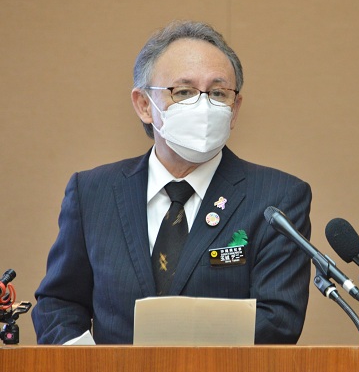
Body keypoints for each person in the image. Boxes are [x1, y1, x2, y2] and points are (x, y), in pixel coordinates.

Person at [32, 20, 312, 345]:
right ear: (144, 105)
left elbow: (278, 322)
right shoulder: (92, 192)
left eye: (218, 93)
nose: (203, 106)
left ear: (235, 110)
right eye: (183, 92)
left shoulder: (276, 198)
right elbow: (59, 302)